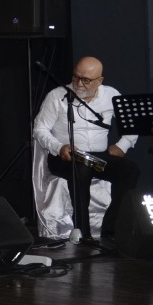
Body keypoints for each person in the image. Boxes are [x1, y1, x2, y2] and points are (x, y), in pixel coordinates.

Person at [31, 56, 139, 240]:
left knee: (130, 170)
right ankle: (83, 233)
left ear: (100, 80)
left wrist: (122, 145)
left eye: (86, 80)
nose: (79, 83)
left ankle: (111, 229)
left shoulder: (111, 95)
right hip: (65, 157)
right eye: (76, 77)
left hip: (98, 157)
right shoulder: (57, 96)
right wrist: (59, 147)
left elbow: (133, 124)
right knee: (81, 169)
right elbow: (39, 129)